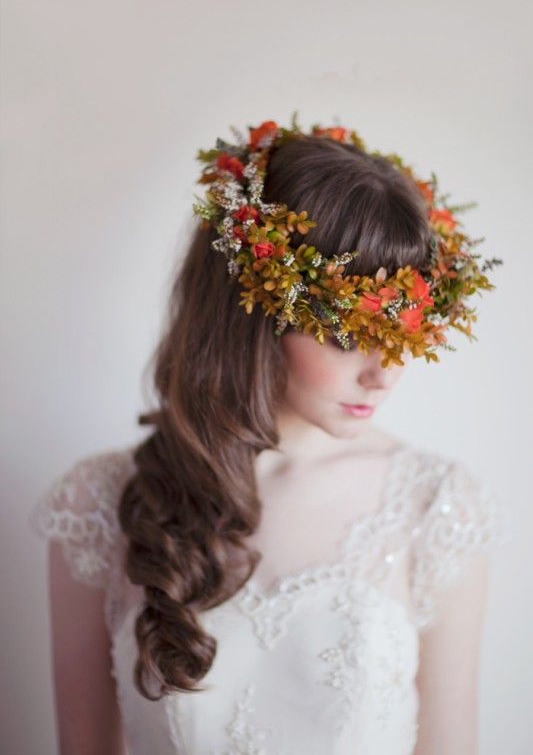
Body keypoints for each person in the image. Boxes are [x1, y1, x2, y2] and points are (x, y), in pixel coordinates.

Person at [29, 116, 509, 755]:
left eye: (402, 332)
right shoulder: (95, 504)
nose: (382, 374)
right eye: (345, 335)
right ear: (249, 314)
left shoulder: (435, 505)